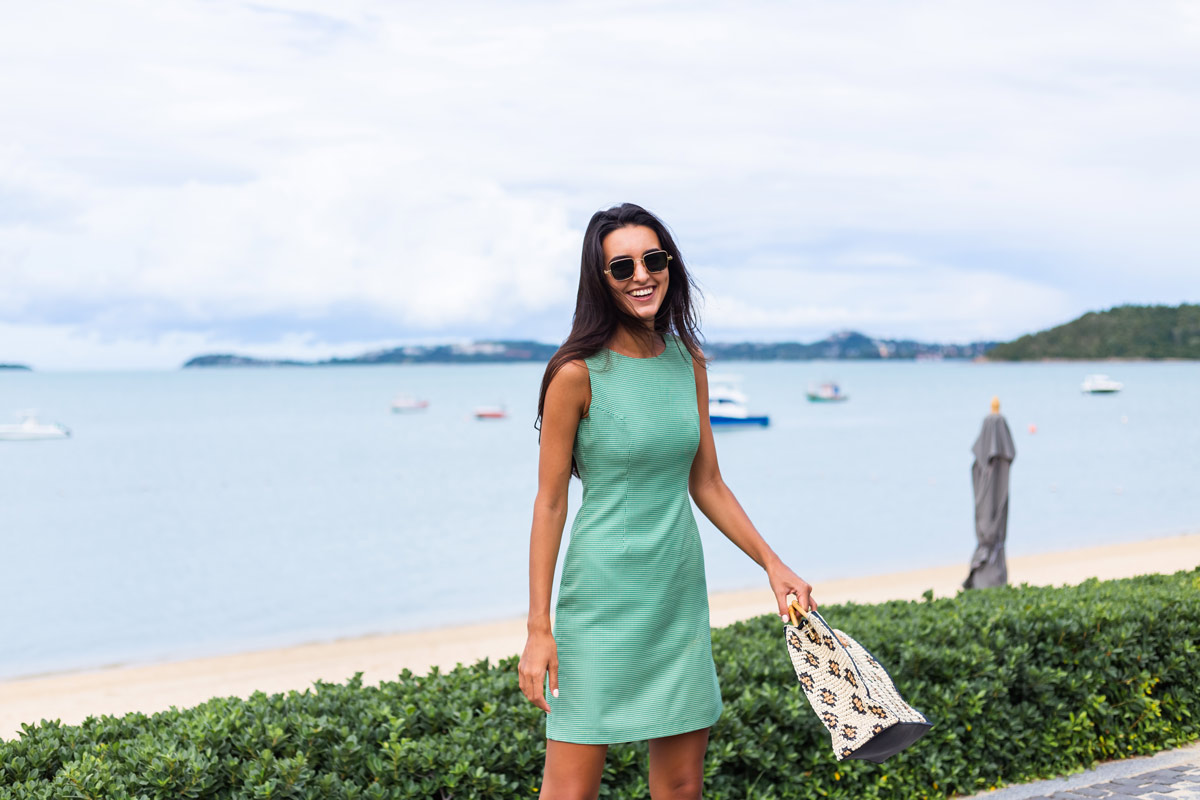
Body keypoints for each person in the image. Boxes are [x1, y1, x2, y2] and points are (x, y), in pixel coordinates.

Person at [519, 203, 817, 799]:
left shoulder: (689, 364)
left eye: (653, 260)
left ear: (670, 266)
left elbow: (706, 482)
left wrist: (773, 564)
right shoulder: (576, 374)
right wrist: (538, 627)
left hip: (678, 596)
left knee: (681, 787)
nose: (641, 275)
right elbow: (550, 503)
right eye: (621, 266)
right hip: (599, 604)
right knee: (568, 792)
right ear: (599, 280)